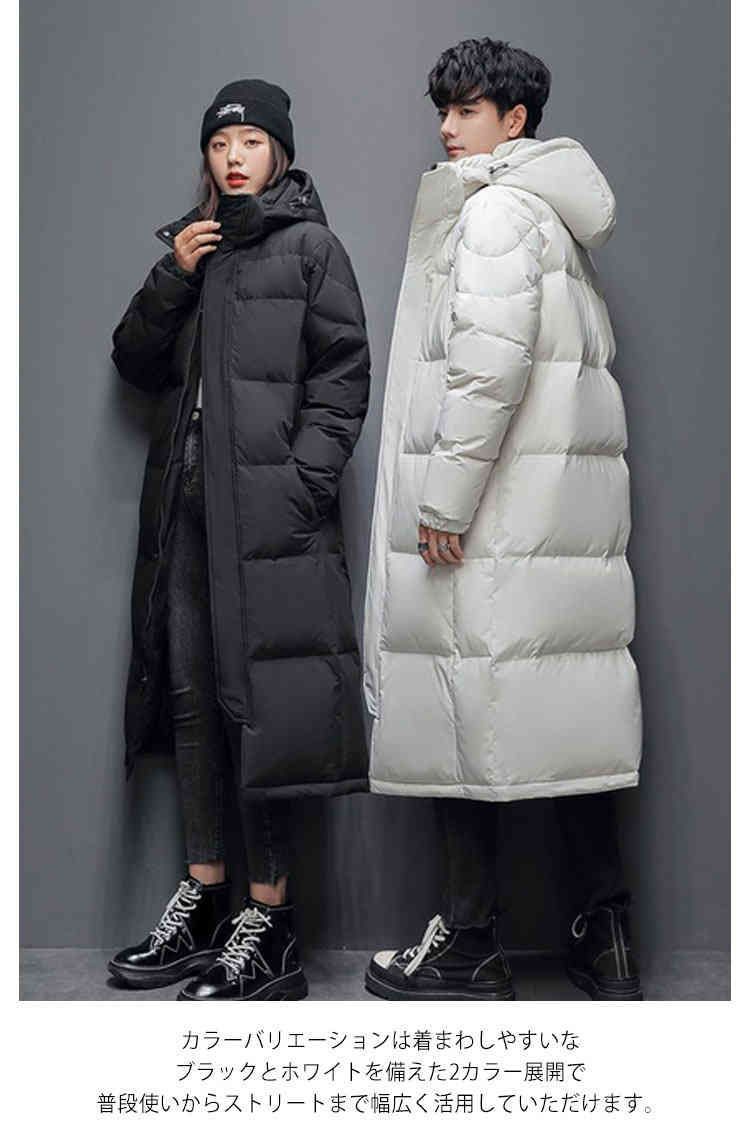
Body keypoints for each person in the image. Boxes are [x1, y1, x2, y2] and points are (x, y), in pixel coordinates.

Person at [363, 39, 644, 1001]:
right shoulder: (552, 217)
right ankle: (607, 940)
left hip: (491, 521)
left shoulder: (493, 212)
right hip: (556, 527)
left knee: (457, 711)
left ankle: (468, 942)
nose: (447, 128)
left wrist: (443, 499)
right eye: (443, 109)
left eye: (468, 110)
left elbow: (487, 369)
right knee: (573, 720)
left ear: (515, 120)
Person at [108, 79, 370, 1001]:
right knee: (191, 703)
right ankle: (207, 899)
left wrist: (299, 488)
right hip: (183, 515)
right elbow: (134, 361)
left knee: (257, 708)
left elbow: (344, 375)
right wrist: (172, 274)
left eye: (251, 141)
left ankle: (270, 923)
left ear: (280, 153)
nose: (233, 157)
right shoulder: (196, 247)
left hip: (266, 521)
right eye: (220, 144)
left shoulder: (311, 249)